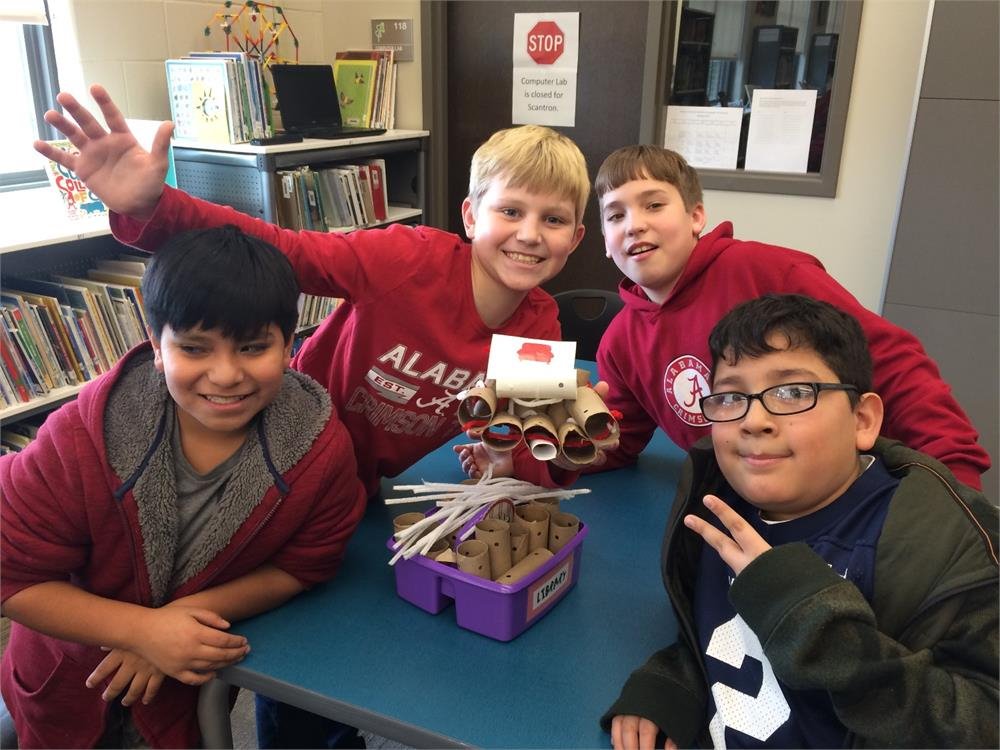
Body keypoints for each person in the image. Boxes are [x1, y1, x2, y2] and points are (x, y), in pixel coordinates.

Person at [34, 84, 593, 748]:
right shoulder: (406, 260)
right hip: (279, 466)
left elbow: (528, 470)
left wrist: (525, 452)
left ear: (577, 238)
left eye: (553, 221)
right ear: (472, 215)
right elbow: (282, 251)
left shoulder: (539, 328)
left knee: (337, 654)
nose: (530, 234)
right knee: (273, 660)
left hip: (359, 503)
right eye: (511, 211)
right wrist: (153, 207)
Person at [0, 225, 367, 748]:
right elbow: (14, 579)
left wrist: (171, 625)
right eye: (195, 348)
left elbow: (304, 566)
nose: (225, 374)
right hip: (68, 675)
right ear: (156, 344)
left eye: (252, 347)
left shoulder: (321, 450)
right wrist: (140, 631)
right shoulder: (80, 438)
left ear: (290, 343)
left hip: (181, 688)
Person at [602, 293, 999, 749]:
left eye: (792, 392)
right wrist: (672, 683)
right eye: (731, 396)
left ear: (863, 420)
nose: (753, 419)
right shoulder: (716, 505)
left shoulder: (939, 547)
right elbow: (722, 635)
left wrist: (813, 622)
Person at [589, 144, 989, 489]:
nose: (635, 226)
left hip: (857, 489)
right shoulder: (620, 342)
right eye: (615, 215)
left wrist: (955, 477)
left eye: (654, 205)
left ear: (696, 217)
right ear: (604, 243)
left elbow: (889, 361)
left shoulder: (770, 273)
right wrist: (548, 445)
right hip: (747, 501)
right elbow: (617, 441)